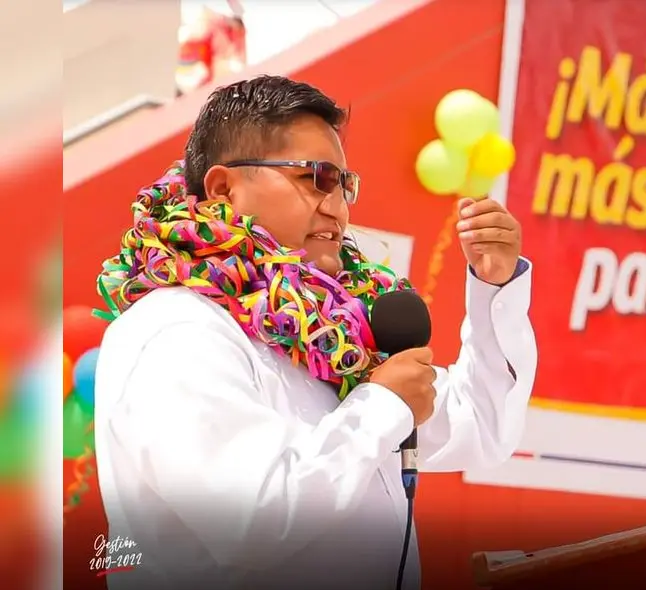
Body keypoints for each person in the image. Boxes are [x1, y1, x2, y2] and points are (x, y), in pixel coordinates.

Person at [91, 75, 536, 590]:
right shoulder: (175, 329)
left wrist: (493, 287)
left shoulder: (333, 338)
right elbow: (251, 522)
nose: (337, 206)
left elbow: (483, 426)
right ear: (222, 189)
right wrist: (380, 406)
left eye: (344, 184)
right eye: (315, 178)